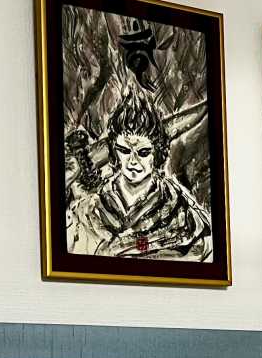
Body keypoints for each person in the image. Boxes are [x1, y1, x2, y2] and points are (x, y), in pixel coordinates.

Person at [67, 88, 212, 260]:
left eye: (143, 152)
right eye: (124, 151)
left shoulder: (183, 214)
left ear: (157, 153)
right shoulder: (87, 211)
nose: (133, 161)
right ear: (114, 152)